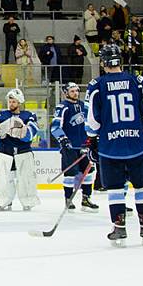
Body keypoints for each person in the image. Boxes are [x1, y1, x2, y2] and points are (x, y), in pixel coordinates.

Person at [84, 44, 143, 247]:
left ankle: (119, 227)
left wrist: (91, 140)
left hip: (110, 147)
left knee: (115, 189)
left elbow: (93, 121)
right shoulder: (136, 81)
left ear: (103, 62)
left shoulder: (97, 85)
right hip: (137, 144)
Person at [51, 82, 98, 212]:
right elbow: (55, 127)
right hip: (70, 147)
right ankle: (68, 198)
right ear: (65, 93)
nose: (75, 93)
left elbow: (92, 123)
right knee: (70, 174)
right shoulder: (62, 107)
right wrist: (63, 139)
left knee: (88, 173)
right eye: (72, 91)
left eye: (77, 90)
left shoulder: (84, 106)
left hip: (85, 147)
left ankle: (86, 198)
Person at [0, 88, 39, 211]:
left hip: (24, 152)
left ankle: (28, 200)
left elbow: (32, 133)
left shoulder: (29, 115)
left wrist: (23, 132)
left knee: (27, 179)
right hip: (6, 152)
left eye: (14, 101)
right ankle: (4, 200)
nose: (11, 104)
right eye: (9, 101)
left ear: (20, 102)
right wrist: (3, 127)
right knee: (3, 179)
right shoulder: (0, 115)